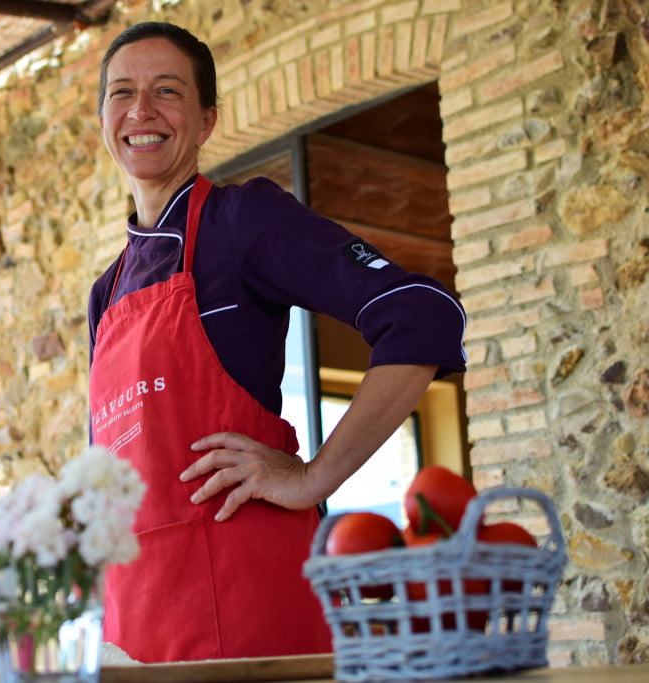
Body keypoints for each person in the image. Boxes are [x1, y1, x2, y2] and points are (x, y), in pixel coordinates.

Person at [87, 21, 467, 664]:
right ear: (103, 118)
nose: (141, 110)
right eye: (122, 92)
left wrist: (312, 478)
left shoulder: (243, 221)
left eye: (167, 91)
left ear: (206, 121)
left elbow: (421, 316)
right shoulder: (107, 290)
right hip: (134, 625)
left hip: (247, 611)